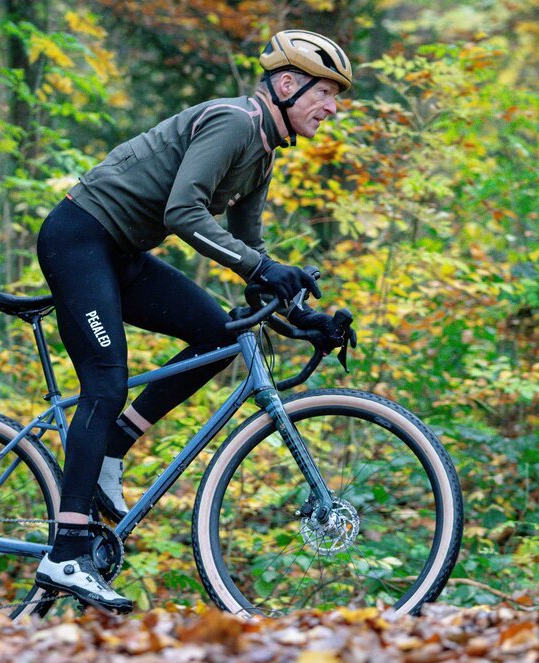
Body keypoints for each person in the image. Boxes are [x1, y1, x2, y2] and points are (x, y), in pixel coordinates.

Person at [32, 30, 354, 613]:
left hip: (119, 252)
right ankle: (67, 552)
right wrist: (267, 267)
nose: (333, 108)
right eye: (326, 92)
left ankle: (113, 447)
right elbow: (184, 212)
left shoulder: (261, 154)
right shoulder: (234, 121)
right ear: (287, 84)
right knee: (104, 383)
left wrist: (304, 320)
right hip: (79, 236)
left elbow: (252, 262)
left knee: (218, 335)